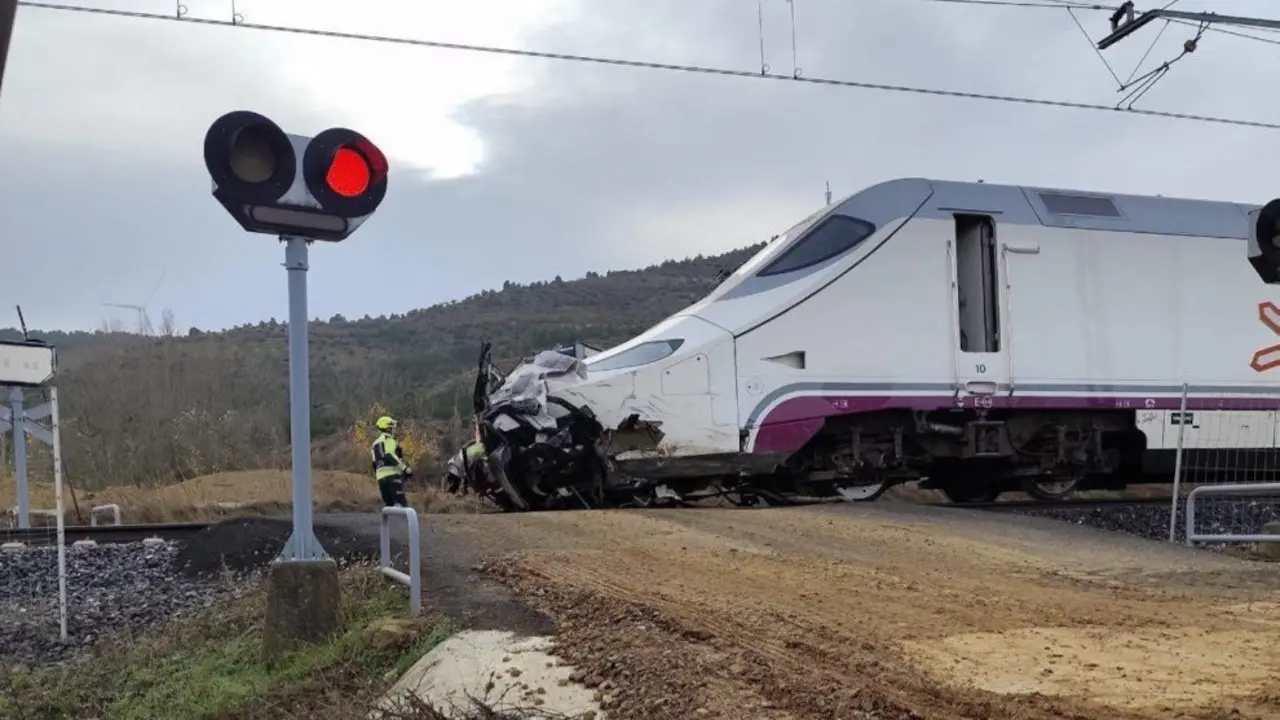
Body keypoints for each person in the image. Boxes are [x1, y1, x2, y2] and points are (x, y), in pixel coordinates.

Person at [370, 415, 412, 507]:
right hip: (393, 476)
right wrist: (405, 469)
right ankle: (402, 522)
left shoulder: (375, 444)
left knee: (389, 505)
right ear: (388, 428)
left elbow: (374, 464)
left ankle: (389, 522)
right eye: (392, 428)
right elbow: (390, 455)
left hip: (381, 479)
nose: (393, 430)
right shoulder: (389, 440)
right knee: (400, 504)